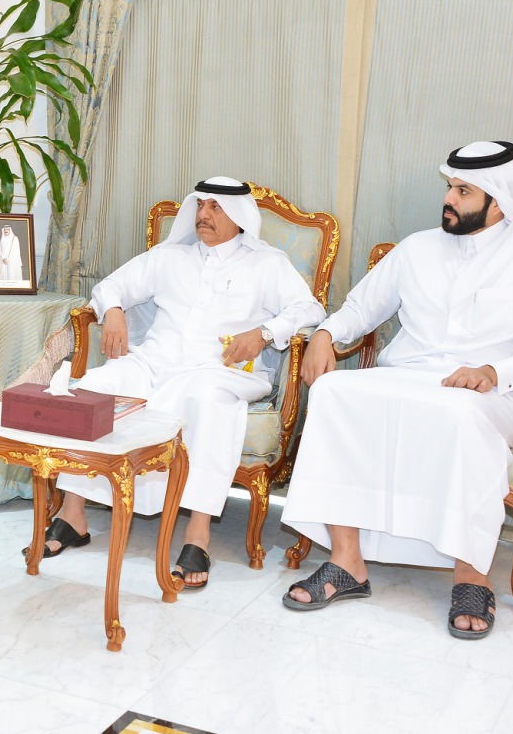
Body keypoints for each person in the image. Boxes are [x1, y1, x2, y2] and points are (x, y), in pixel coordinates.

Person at [281, 141, 513, 640]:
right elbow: (360, 308)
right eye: (449, 187)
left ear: (498, 201)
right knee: (333, 394)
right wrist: (326, 334)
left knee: (460, 414)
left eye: (463, 191)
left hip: (500, 394)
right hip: (411, 378)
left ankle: (470, 576)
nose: (449, 199)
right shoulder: (417, 248)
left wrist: (494, 371)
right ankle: (348, 563)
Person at [40, 177, 325, 587]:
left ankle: (198, 533)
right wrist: (115, 310)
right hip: (155, 362)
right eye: (201, 205)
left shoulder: (268, 264)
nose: (204, 214)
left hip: (220, 370)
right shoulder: (169, 256)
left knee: (206, 400)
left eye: (216, 207)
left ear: (240, 217)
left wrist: (263, 334)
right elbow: (111, 286)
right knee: (97, 385)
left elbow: (309, 309)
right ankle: (73, 513)